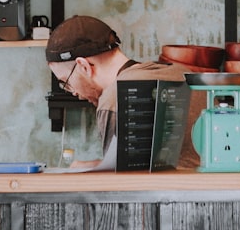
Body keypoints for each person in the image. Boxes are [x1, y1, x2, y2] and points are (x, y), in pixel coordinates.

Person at [46, 15, 204, 170]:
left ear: (84, 66)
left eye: (66, 82)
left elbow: (118, 185)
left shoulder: (116, 96)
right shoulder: (183, 74)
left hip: (167, 195)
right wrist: (93, 166)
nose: (72, 92)